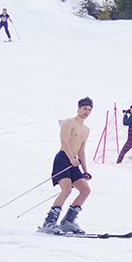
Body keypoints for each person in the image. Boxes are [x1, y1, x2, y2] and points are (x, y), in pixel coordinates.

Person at [42, 97, 95, 234]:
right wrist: (71, 158)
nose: (87, 112)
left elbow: (81, 152)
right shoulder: (69, 122)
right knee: (66, 190)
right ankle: (49, 223)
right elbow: (64, 141)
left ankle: (68, 221)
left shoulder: (86, 129)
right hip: (63, 159)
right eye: (84, 108)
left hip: (74, 161)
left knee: (85, 190)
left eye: (89, 109)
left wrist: (85, 171)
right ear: (78, 108)